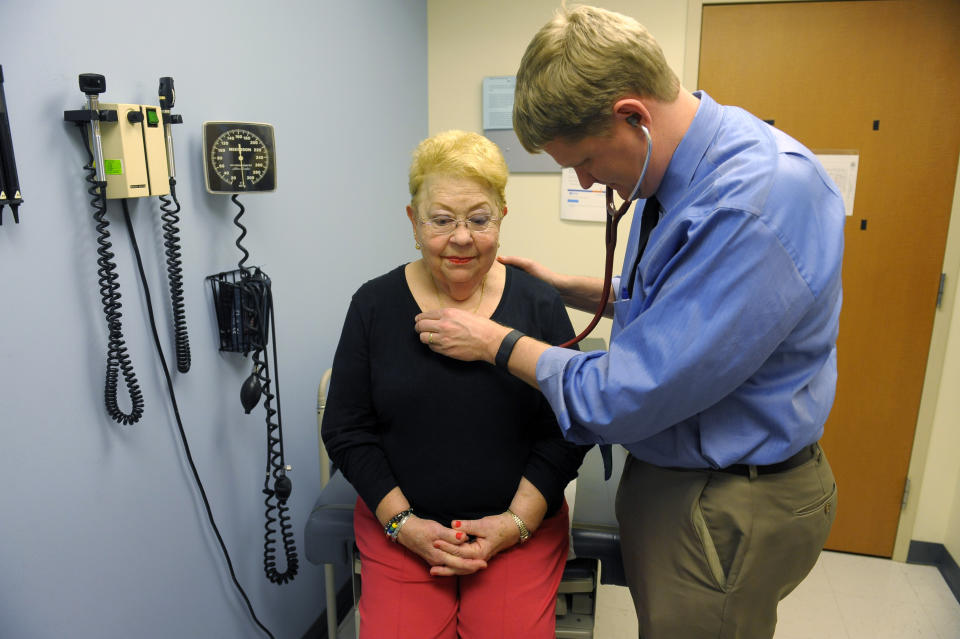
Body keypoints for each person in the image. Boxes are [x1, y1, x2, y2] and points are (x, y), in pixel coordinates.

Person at [413, 6, 843, 638]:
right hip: (678, 477)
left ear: (633, 115)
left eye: (585, 160)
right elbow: (679, 305)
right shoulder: (678, 173)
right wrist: (569, 287)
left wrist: (497, 343)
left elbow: (625, 393)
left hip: (725, 497)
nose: (587, 181)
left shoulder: (756, 200)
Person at [321, 130, 589, 639]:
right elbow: (348, 430)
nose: (461, 238)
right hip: (405, 527)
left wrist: (514, 524)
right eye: (441, 220)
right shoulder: (373, 306)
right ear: (413, 221)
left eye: (479, 219)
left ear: (502, 217)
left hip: (518, 527)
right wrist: (404, 525)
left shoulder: (538, 304)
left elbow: (568, 426)